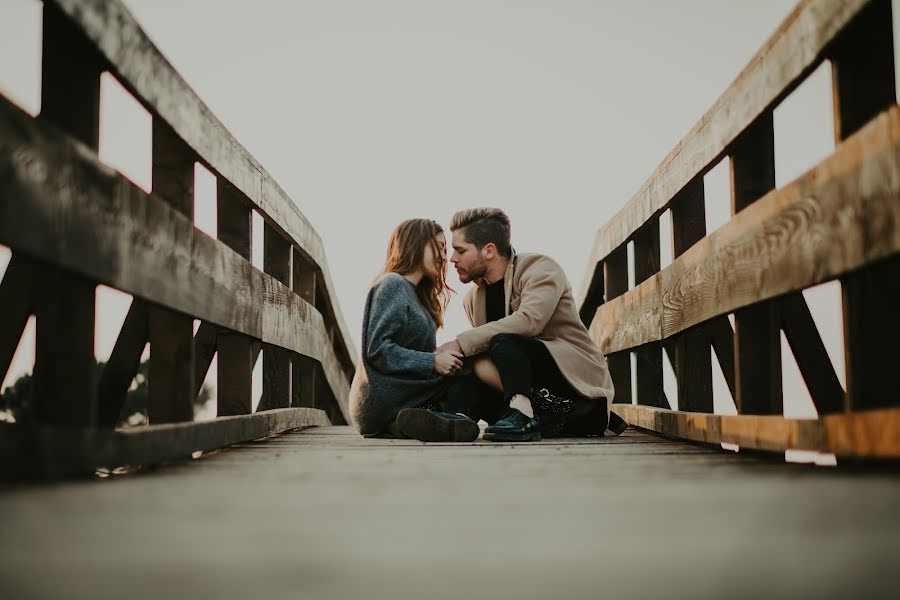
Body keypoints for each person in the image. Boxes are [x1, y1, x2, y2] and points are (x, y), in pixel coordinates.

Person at [399, 207, 625, 442]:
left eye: (460, 250)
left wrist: (459, 343)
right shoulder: (474, 299)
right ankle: (458, 418)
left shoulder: (539, 268)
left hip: (574, 389)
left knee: (501, 342)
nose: (452, 259)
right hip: (533, 396)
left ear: (488, 251)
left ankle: (523, 414)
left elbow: (529, 322)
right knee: (471, 359)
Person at [348, 218, 480, 441]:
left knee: (465, 364)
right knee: (470, 374)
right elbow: (378, 350)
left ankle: (405, 424)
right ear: (416, 243)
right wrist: (432, 362)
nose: (444, 256)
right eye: (438, 246)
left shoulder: (417, 297)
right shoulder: (393, 284)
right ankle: (457, 418)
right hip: (383, 397)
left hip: (401, 399)